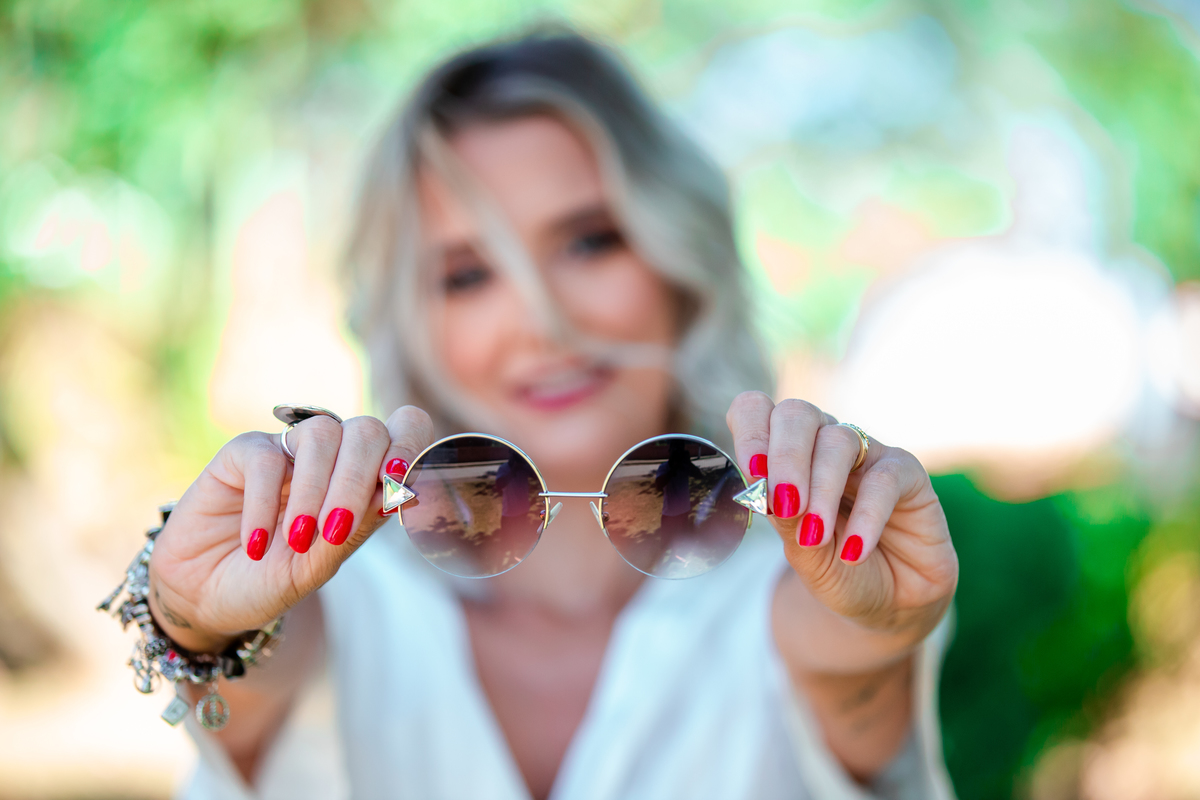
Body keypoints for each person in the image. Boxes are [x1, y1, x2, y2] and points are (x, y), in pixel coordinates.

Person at [144, 26, 959, 800]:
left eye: (589, 241)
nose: (540, 321)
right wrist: (189, 620)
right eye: (467, 274)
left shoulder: (803, 586)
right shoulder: (335, 595)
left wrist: (881, 631)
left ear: (678, 257)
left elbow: (851, 660)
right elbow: (243, 677)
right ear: (414, 322)